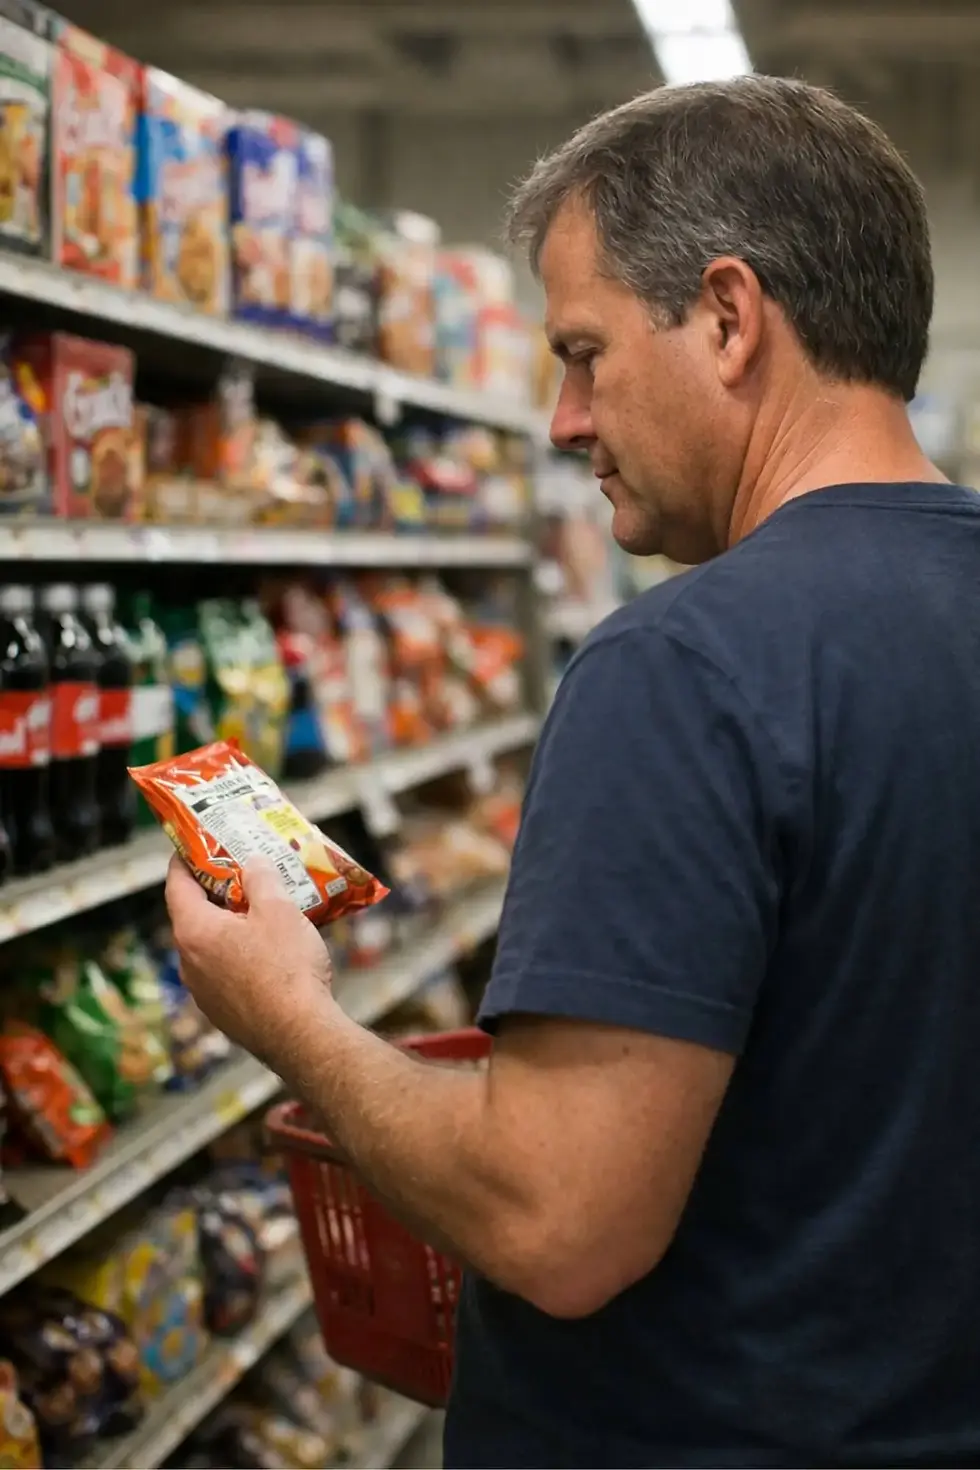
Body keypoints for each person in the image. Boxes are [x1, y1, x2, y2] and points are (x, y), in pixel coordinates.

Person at [165, 75, 980, 1469]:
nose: (560, 419)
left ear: (728, 319)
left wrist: (291, 1013)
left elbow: (562, 1222)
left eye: (585, 352)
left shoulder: (685, 668)